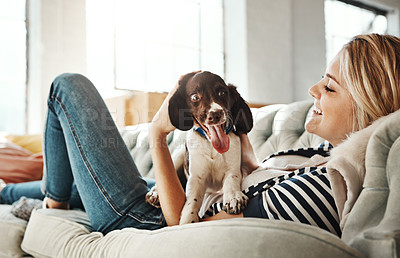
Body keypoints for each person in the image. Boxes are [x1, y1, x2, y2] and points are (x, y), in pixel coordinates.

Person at [0, 34, 399, 236]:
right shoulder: (315, 157)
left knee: (67, 86)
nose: (313, 91)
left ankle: (51, 212)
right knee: (60, 179)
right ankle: (12, 194)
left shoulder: (328, 185)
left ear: (369, 107)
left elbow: (185, 229)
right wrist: (236, 139)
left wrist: (158, 134)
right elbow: (248, 173)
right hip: (156, 194)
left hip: (147, 220)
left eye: (329, 87)